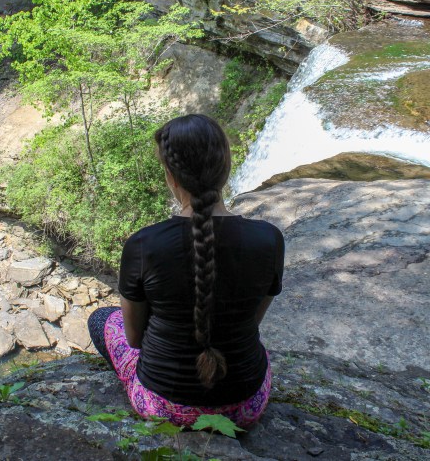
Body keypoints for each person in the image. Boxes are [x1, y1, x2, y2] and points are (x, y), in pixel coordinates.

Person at [88, 113, 284, 428]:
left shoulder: (143, 245)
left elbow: (135, 339)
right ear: (226, 167)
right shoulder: (270, 239)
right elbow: (253, 321)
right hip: (247, 405)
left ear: (171, 176)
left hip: (162, 405)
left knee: (100, 319)